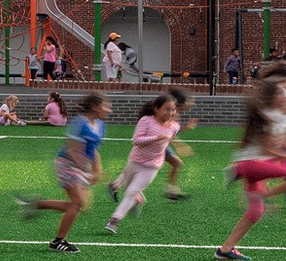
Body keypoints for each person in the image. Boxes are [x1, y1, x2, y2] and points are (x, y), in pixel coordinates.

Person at [214, 75, 286, 261]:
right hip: (253, 164)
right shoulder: (270, 117)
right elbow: (269, 149)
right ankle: (257, 192)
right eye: (281, 94)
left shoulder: (278, 117)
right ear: (272, 99)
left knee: (256, 212)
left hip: (253, 165)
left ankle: (225, 249)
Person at [20, 90, 109, 251]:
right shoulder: (80, 124)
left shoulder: (101, 126)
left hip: (79, 167)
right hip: (67, 164)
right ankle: (58, 241)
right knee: (78, 203)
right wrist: (86, 171)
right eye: (105, 106)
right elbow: (72, 149)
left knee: (81, 205)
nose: (108, 109)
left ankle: (37, 204)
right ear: (95, 107)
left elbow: (94, 150)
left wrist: (97, 170)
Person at [105, 92, 183, 232]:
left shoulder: (175, 126)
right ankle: (134, 199)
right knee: (129, 190)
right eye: (167, 109)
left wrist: (163, 144)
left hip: (151, 167)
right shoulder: (146, 121)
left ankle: (114, 220)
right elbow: (136, 141)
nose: (171, 113)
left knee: (131, 192)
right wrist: (155, 138)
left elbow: (168, 141)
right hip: (134, 162)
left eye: (173, 109)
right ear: (156, 109)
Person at [162, 87, 197, 200]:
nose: (192, 103)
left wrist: (186, 127)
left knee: (176, 163)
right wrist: (181, 145)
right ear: (182, 103)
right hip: (157, 144)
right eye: (189, 101)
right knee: (146, 169)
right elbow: (168, 133)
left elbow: (173, 131)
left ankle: (171, 190)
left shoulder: (174, 112)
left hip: (162, 144)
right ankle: (118, 184)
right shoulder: (172, 113)